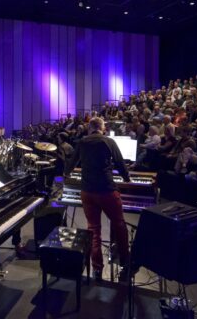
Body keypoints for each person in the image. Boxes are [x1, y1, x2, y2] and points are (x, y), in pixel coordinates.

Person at [65, 117, 131, 281]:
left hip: (87, 191)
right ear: (103, 128)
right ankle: (125, 262)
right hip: (106, 190)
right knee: (119, 224)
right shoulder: (108, 141)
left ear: (89, 128)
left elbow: (72, 162)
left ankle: (97, 269)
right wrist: (127, 178)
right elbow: (120, 163)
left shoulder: (82, 142)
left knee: (94, 230)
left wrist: (66, 173)